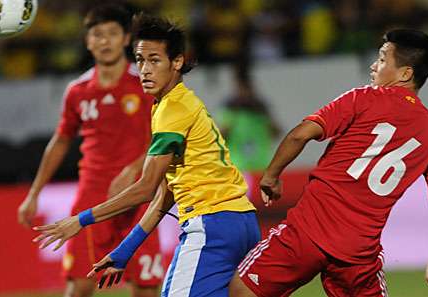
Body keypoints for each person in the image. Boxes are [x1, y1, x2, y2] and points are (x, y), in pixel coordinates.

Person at [32, 13, 260, 297]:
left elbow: (145, 188)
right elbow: (164, 194)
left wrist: (81, 220)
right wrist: (125, 250)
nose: (145, 70)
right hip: (241, 221)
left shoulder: (170, 111)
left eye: (154, 60)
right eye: (140, 60)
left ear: (177, 62)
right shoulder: (181, 102)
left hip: (210, 224)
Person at [229, 29, 428, 297]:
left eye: (383, 59)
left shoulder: (364, 97)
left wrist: (271, 176)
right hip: (357, 256)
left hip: (306, 233)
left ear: (405, 73)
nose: (375, 65)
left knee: (240, 292)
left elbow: (300, 134)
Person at [17, 4, 162, 297]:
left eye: (112, 33)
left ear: (125, 40)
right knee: (79, 286)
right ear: (88, 41)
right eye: (98, 34)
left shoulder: (145, 84)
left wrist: (134, 169)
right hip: (92, 195)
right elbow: (60, 140)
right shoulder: (78, 90)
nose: (105, 41)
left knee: (146, 289)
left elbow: (164, 137)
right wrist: (34, 194)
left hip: (139, 194)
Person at [218, 66, 280, 172]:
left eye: (247, 89)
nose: (245, 94)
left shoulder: (260, 111)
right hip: (238, 167)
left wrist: (265, 114)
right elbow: (220, 137)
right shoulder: (229, 110)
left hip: (261, 165)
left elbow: (276, 133)